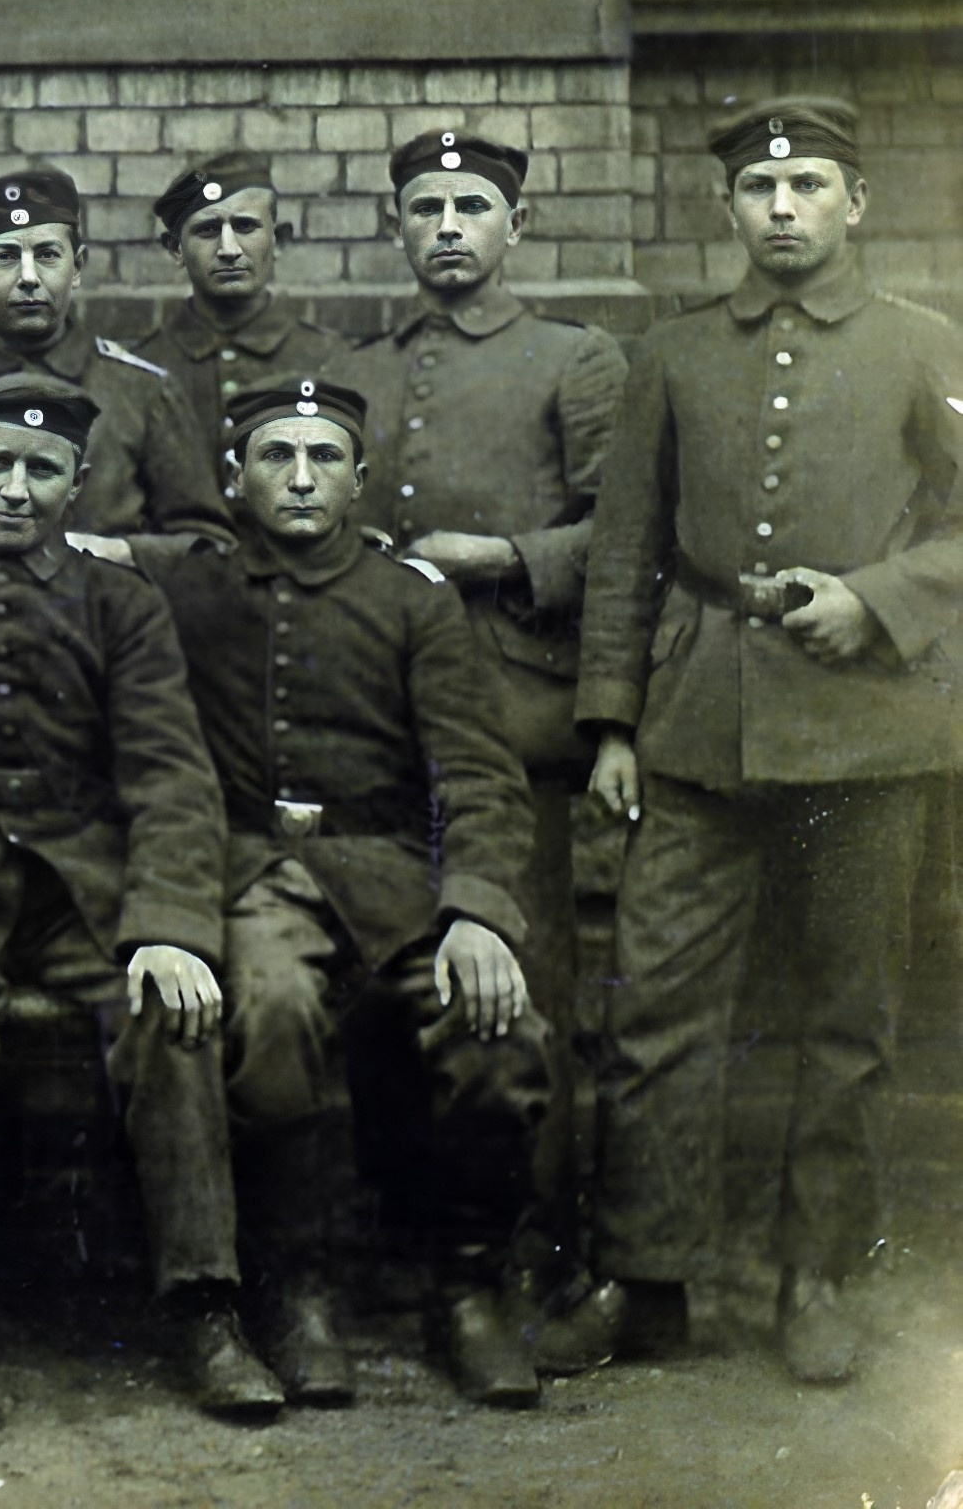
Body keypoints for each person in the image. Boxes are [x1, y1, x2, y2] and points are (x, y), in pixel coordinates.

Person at [579, 98, 963, 1385]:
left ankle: (816, 1274)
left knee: (849, 1020)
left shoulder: (923, 348)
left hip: (871, 736)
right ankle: (646, 1277)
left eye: (808, 182)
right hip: (698, 726)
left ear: (859, 201)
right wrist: (614, 724)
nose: (783, 206)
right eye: (759, 186)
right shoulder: (674, 355)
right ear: (729, 209)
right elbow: (626, 550)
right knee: (657, 1011)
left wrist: (883, 599)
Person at [0, 372, 282, 1427]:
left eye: (44, 470)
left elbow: (172, 775)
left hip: (83, 879)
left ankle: (203, 1304)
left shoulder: (120, 602)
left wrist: (172, 927)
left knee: (169, 1015)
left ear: (80, 483)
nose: (15, 488)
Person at [134, 380, 554, 1409]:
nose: (301, 476)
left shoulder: (413, 600)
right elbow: (91, 558)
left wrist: (478, 912)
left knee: (497, 1029)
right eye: (275, 454)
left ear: (361, 480)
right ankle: (299, 1284)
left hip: (392, 877)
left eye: (325, 457)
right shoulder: (192, 589)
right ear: (237, 477)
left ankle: (463, 1286)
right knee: (270, 1008)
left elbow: (479, 768)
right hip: (249, 868)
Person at [332, 130, 630, 1366]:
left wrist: (504, 559)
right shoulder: (355, 369)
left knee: (527, 998)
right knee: (400, 994)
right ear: (397, 229)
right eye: (424, 208)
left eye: (472, 206)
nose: (447, 226)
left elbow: (626, 530)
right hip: (382, 734)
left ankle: (537, 1256)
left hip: (514, 728)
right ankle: (421, 1251)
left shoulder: (575, 359)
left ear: (517, 224)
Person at [0, 167, 233, 566]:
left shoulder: (143, 394)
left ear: (76, 267)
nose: (28, 277)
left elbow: (211, 548)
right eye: (4, 257)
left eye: (47, 255)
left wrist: (118, 553)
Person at [133, 152, 347, 462]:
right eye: (207, 230)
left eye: (245, 227)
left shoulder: (329, 359)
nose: (228, 249)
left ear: (281, 241)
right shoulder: (144, 369)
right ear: (176, 248)